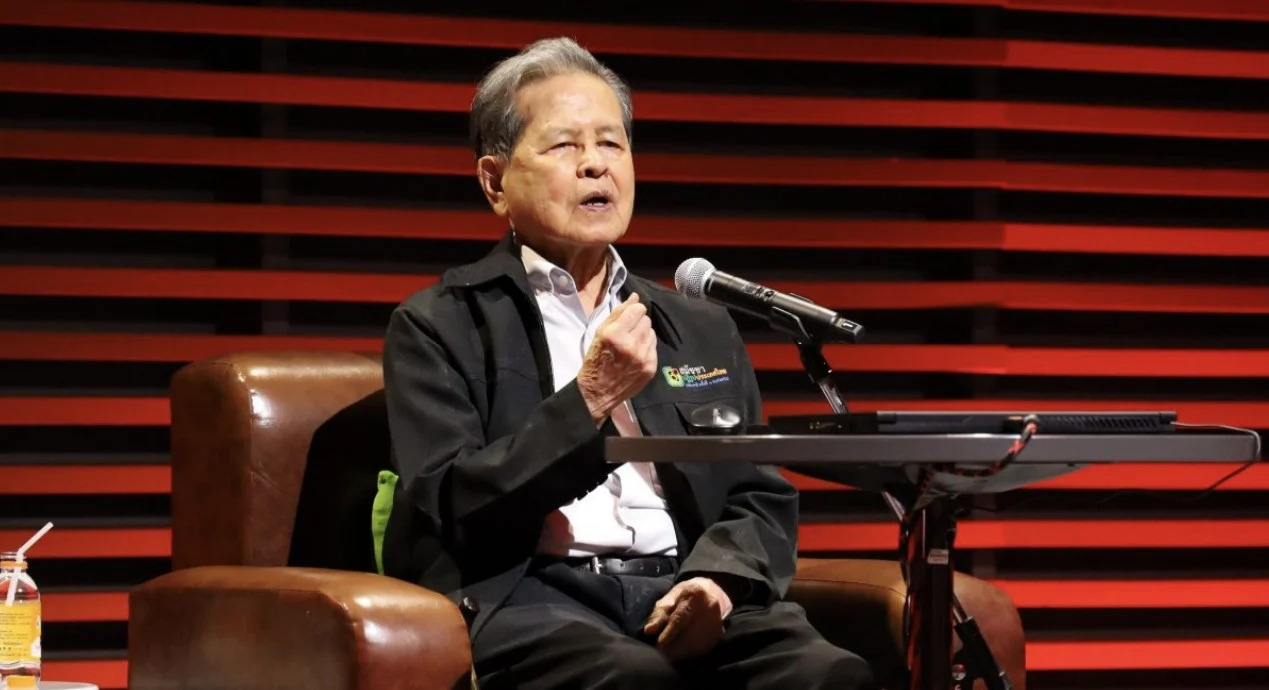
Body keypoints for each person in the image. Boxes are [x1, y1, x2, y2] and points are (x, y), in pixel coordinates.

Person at [381, 37, 875, 690]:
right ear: (495, 183)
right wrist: (587, 401)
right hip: (534, 597)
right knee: (632, 679)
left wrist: (719, 580)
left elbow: (757, 491)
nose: (595, 165)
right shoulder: (438, 324)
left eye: (611, 144)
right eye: (564, 146)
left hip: (686, 586)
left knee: (828, 674)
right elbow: (455, 506)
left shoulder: (697, 325)